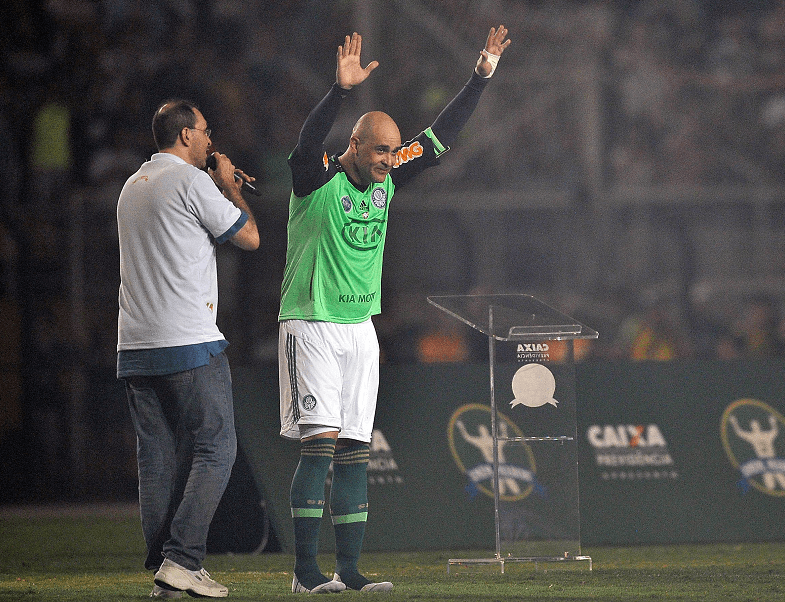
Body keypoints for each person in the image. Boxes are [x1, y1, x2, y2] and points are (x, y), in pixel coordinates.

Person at [277, 27, 511, 593]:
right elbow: (307, 143)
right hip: (311, 323)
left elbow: (440, 139)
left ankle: (349, 571)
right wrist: (339, 92)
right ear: (355, 145)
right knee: (319, 448)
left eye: (392, 151)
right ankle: (305, 573)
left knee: (356, 451)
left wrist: (480, 76)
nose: (388, 159)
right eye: (380, 150)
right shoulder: (316, 180)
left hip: (360, 329)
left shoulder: (386, 178)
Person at [117, 100, 260, 599]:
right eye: (204, 131)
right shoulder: (192, 182)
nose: (210, 140)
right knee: (217, 447)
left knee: (156, 459)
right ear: (185, 136)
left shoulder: (132, 185)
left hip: (134, 345)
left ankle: (165, 570)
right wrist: (230, 189)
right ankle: (182, 559)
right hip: (187, 341)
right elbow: (249, 237)